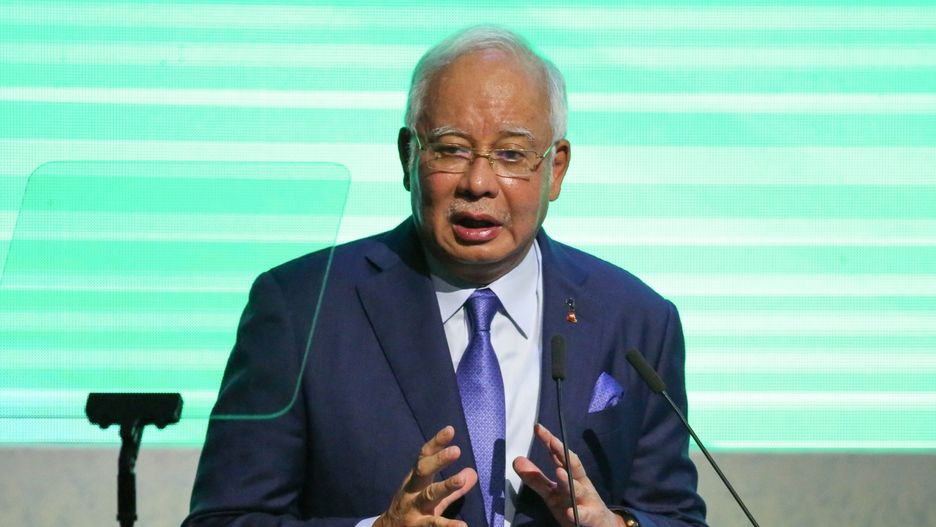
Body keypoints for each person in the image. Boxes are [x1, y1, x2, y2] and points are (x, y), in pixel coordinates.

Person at [185, 25, 707, 527]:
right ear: (408, 156)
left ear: (556, 169)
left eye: (512, 155)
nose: (478, 182)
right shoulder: (302, 308)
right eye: (451, 149)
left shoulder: (636, 320)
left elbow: (675, 516)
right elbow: (224, 518)